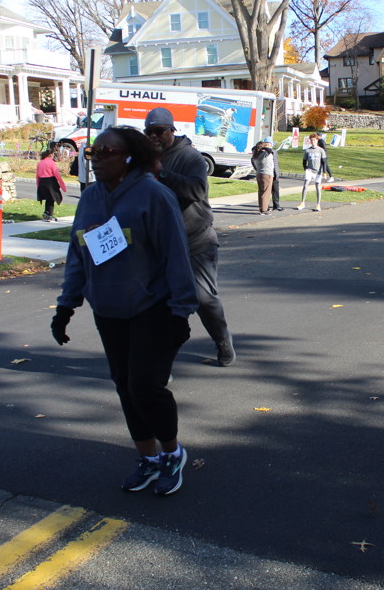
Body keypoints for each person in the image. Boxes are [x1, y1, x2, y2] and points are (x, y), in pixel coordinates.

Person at [50, 127, 197, 496]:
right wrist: (66, 306)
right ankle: (148, 458)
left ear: (130, 157)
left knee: (145, 386)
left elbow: (176, 256)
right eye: (92, 153)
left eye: (106, 152)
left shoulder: (154, 195)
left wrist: (181, 311)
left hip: (153, 307)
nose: (96, 159)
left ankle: (172, 453)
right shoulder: (91, 197)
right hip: (108, 309)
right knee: (125, 388)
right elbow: (78, 253)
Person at [143, 107, 236, 366]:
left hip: (196, 241)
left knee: (203, 298)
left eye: (159, 131)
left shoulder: (190, 157)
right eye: (149, 132)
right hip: (161, 246)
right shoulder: (143, 159)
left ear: (172, 130)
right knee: (159, 306)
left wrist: (161, 172)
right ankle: (161, 365)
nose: (154, 136)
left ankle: (223, 341)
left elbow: (196, 191)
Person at [297, 133, 331, 212]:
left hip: (318, 171)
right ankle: (302, 202)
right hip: (309, 170)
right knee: (305, 185)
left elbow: (324, 161)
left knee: (318, 187)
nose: (313, 142)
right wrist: (305, 168)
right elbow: (304, 161)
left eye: (314, 140)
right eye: (311, 140)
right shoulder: (307, 150)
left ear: (317, 140)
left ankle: (318, 204)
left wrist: (324, 172)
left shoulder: (321, 150)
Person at [35, 146, 66, 221]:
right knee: (52, 198)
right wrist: (62, 185)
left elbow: (37, 176)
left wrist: (38, 185)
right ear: (51, 155)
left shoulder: (40, 163)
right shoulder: (51, 163)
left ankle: (47, 212)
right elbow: (57, 174)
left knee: (48, 198)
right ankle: (49, 214)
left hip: (42, 182)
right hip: (50, 182)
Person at [251, 139, 275, 215]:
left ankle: (262, 207)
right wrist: (265, 148)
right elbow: (270, 150)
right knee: (266, 192)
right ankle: (264, 210)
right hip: (267, 174)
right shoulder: (265, 154)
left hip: (259, 173)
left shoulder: (256, 155)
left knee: (261, 191)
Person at [264, 136, 284, 211]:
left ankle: (276, 205)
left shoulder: (274, 152)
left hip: (274, 173)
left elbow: (276, 163)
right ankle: (266, 206)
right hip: (267, 174)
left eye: (269, 143)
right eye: (266, 143)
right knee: (267, 191)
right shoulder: (263, 152)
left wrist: (277, 173)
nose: (267, 145)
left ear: (271, 144)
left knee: (275, 190)